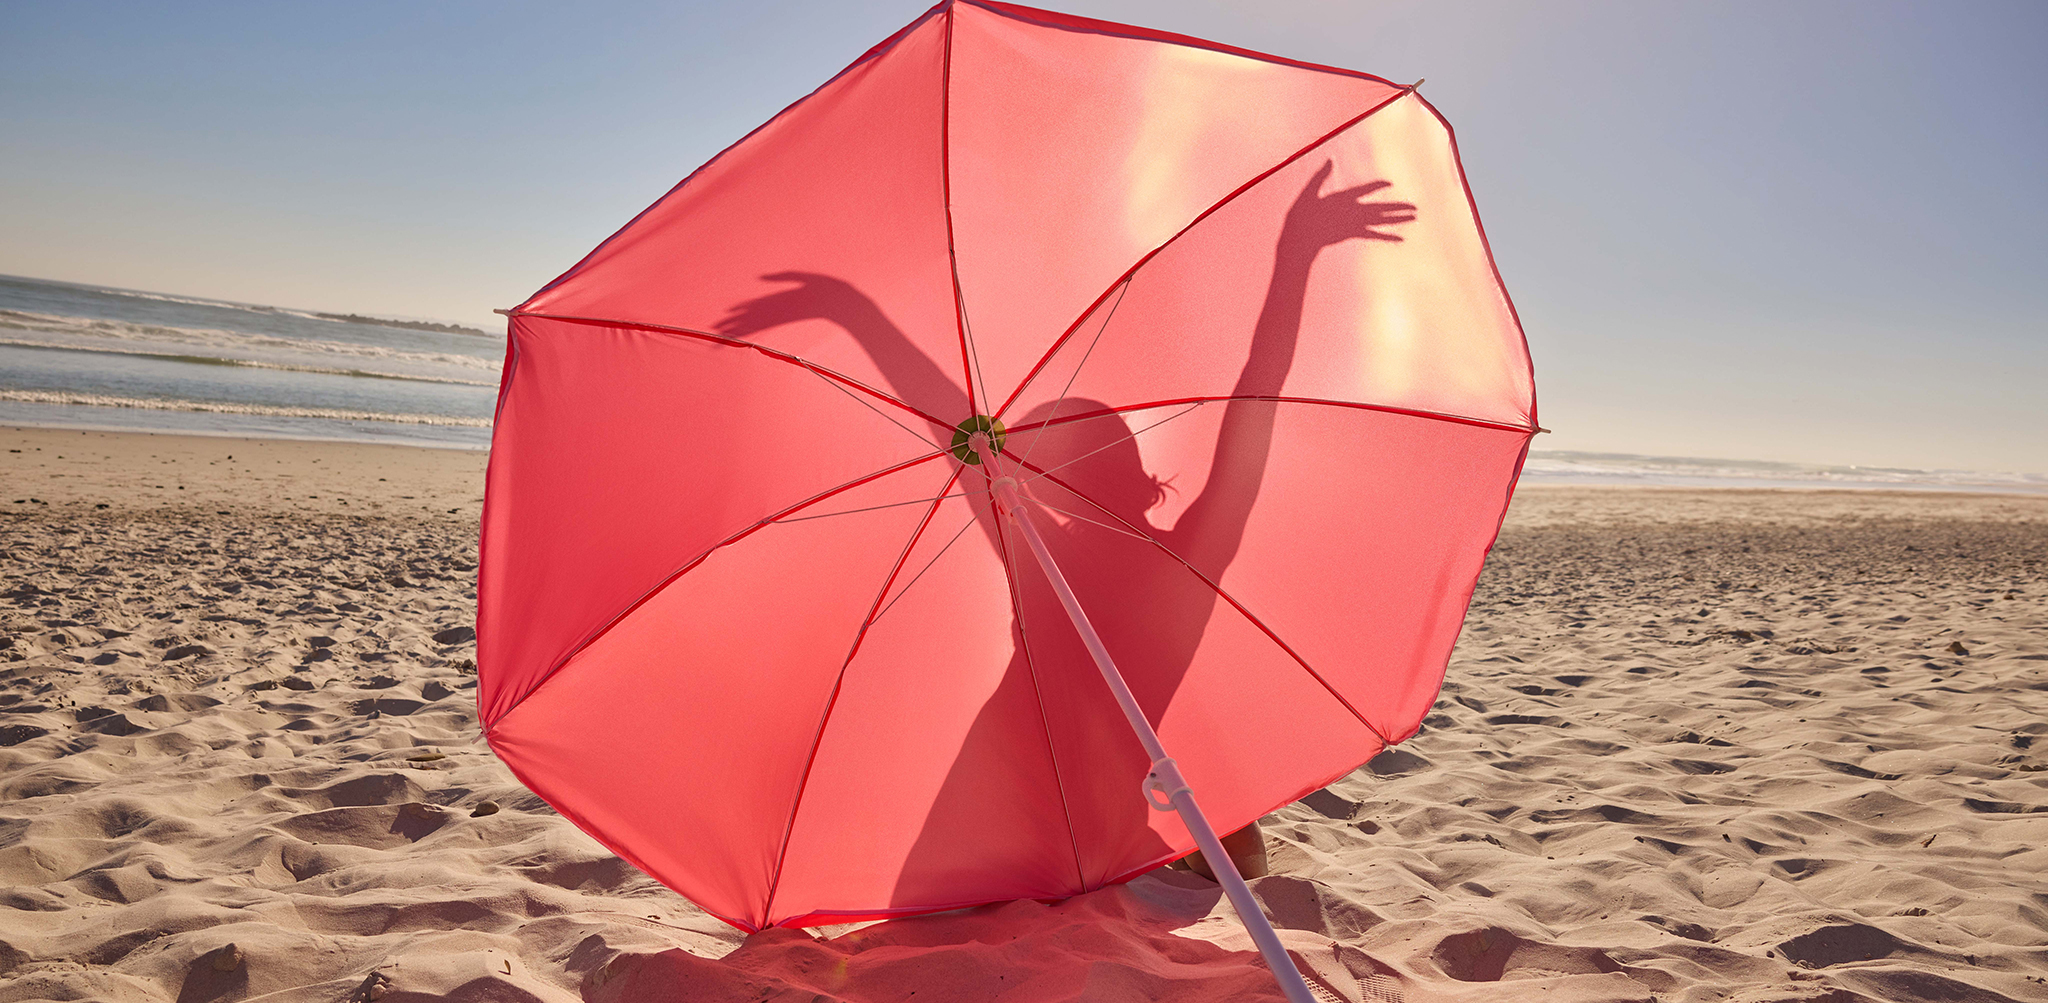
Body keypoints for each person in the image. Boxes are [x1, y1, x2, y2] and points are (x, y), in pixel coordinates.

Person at [716, 161, 1413, 892]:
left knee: (1234, 838)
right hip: (1037, 830)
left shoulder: (1051, 551)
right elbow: (1253, 400)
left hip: (1020, 824)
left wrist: (856, 315)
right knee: (1231, 842)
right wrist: (1291, 259)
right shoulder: (1115, 555)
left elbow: (959, 427)